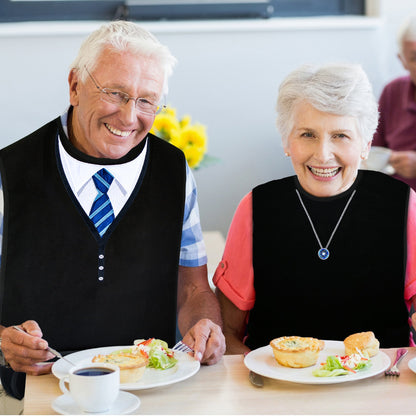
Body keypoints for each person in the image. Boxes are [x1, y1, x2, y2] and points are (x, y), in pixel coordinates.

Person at [0, 21, 225, 398]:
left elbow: (192, 288)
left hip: (153, 388)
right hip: (40, 393)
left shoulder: (175, 170)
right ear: (75, 86)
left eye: (146, 101)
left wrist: (205, 326)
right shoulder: (9, 172)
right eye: (116, 93)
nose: (128, 117)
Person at [214, 63, 416, 354]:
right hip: (276, 386)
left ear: (366, 143)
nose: (323, 154)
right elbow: (226, 331)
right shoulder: (257, 207)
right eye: (307, 134)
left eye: (340, 136)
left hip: (380, 386)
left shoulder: (402, 203)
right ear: (286, 141)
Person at [372, 15, 416, 190]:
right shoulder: (392, 92)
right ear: (402, 60)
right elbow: (372, 153)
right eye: (414, 58)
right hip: (393, 199)